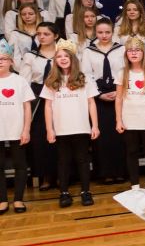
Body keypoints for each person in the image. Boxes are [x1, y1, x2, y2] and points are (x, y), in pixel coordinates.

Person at [42, 39, 99, 208]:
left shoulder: (84, 79)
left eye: (66, 56)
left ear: (72, 58)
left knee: (82, 160)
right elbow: (48, 106)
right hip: (61, 129)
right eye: (59, 56)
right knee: (63, 162)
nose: (63, 59)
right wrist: (49, 129)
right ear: (55, 60)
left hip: (81, 127)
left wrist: (95, 125)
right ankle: (64, 193)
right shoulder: (52, 80)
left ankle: (85, 191)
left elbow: (91, 103)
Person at [82, 18, 126, 184]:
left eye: (107, 32)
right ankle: (105, 172)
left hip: (118, 92)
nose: (104, 35)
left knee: (119, 134)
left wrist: (119, 91)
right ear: (95, 32)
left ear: (113, 32)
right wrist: (99, 94)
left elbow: (126, 71)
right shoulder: (88, 51)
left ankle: (120, 171)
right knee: (102, 137)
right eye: (100, 32)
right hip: (98, 96)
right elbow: (86, 75)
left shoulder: (121, 49)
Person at [114, 37, 145, 190]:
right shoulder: (122, 73)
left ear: (143, 53)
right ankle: (134, 185)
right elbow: (118, 98)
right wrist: (118, 120)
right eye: (130, 50)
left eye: (137, 50)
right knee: (132, 152)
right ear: (126, 54)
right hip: (129, 119)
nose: (133, 53)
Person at [20, 22, 59, 190]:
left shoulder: (63, 53)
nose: (42, 37)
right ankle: (45, 176)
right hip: (38, 97)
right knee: (40, 137)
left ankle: (63, 174)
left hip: (60, 94)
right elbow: (24, 81)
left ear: (55, 36)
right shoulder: (31, 56)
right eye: (39, 34)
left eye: (46, 34)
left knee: (61, 134)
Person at [0, 39, 32, 213]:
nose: (0, 62)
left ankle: (18, 199)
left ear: (11, 61)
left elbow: (27, 107)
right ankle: (2, 200)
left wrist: (26, 129)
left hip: (17, 129)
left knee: (20, 164)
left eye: (3, 58)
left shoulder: (19, 81)